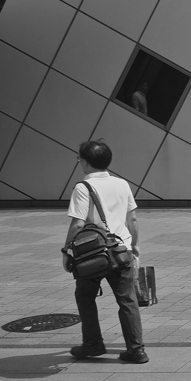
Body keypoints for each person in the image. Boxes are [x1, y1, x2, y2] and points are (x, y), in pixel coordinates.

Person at [63, 140, 148, 363]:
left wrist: (66, 251)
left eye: (79, 158)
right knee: (127, 300)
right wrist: (135, 244)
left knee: (84, 295)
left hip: (94, 255)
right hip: (122, 251)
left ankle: (93, 344)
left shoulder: (83, 188)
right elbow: (133, 218)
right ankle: (136, 350)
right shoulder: (121, 184)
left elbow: (78, 224)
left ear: (85, 161)